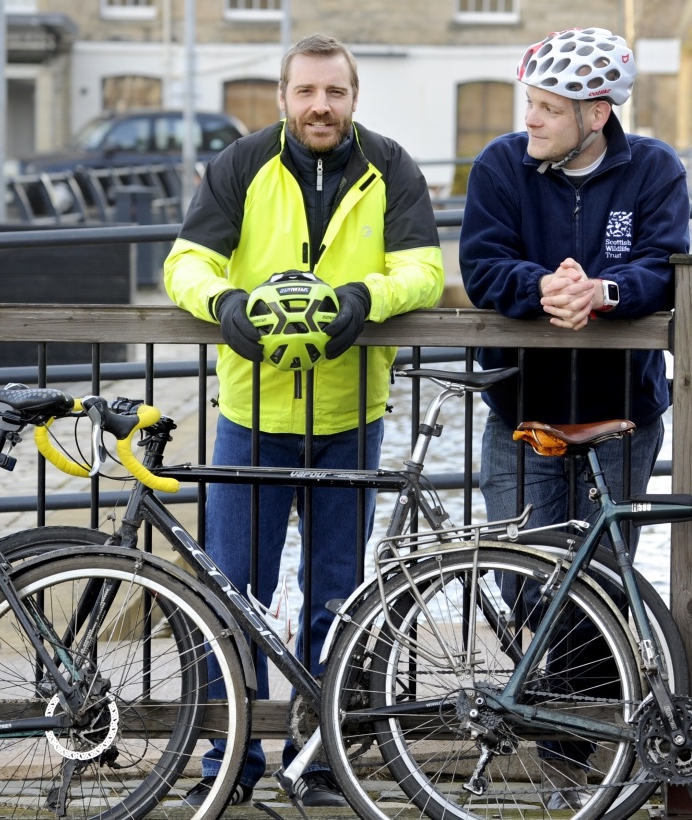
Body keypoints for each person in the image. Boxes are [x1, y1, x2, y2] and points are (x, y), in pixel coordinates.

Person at [163, 33, 443, 808]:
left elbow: (423, 269)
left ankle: (317, 760)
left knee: (336, 596)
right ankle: (233, 758)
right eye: (306, 92)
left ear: (354, 97)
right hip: (252, 415)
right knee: (233, 595)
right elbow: (186, 260)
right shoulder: (241, 163)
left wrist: (363, 300)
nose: (321, 106)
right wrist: (222, 305)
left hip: (352, 416)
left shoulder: (392, 166)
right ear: (284, 97)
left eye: (336, 93)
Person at [458, 26, 690, 811]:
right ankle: (568, 734)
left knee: (600, 580)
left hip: (622, 411)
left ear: (596, 114)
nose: (532, 122)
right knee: (525, 576)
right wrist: (544, 287)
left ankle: (574, 752)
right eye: (530, 105)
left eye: (547, 110)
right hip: (522, 406)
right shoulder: (501, 165)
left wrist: (605, 292)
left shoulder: (654, 168)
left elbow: (665, 265)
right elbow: (482, 263)